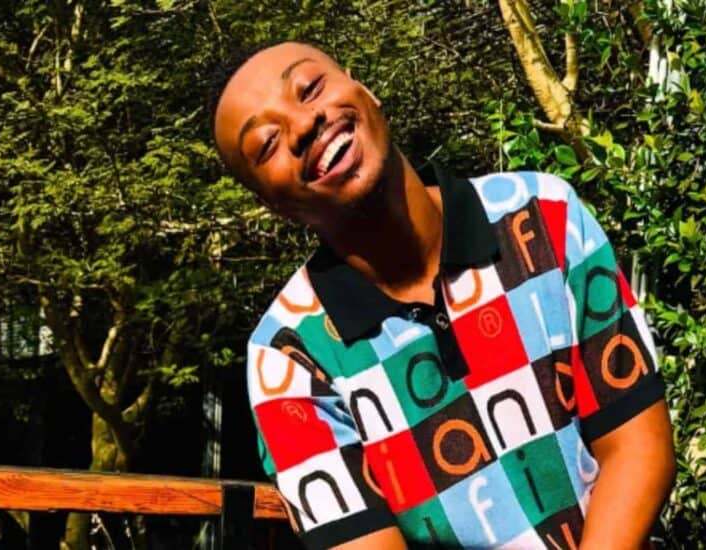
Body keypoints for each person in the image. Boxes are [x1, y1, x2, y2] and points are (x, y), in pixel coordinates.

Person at [213, 41, 676, 550]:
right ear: (271, 204)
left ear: (363, 88)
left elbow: (636, 448)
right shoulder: (287, 358)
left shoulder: (543, 217)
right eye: (267, 143)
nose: (303, 125)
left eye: (310, 88)